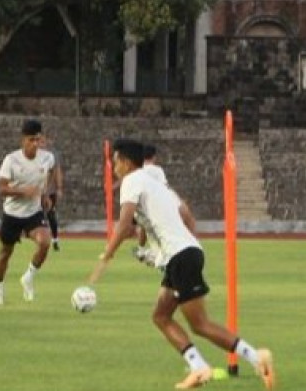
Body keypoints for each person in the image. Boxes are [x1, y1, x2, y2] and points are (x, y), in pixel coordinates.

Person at [88, 139, 275, 390]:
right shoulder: (154, 180)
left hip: (181, 257)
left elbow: (123, 225)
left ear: (124, 161)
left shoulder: (132, 181)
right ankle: (199, 368)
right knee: (161, 316)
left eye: (115, 162)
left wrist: (107, 254)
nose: (113, 167)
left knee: (200, 324)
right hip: (182, 255)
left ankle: (256, 357)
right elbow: (182, 214)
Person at [0, 118, 56, 306]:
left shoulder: (47, 158)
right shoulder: (11, 160)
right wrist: (23, 191)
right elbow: (1, 189)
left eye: (37, 140)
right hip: (12, 214)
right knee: (5, 253)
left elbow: (50, 172)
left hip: (33, 213)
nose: (34, 144)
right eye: (31, 140)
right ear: (23, 140)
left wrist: (45, 194)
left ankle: (28, 277)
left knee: (45, 242)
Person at [45, 144, 65, 251]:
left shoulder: (52, 155)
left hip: (50, 191)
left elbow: (57, 171)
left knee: (50, 214)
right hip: (37, 191)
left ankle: (55, 239)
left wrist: (59, 187)